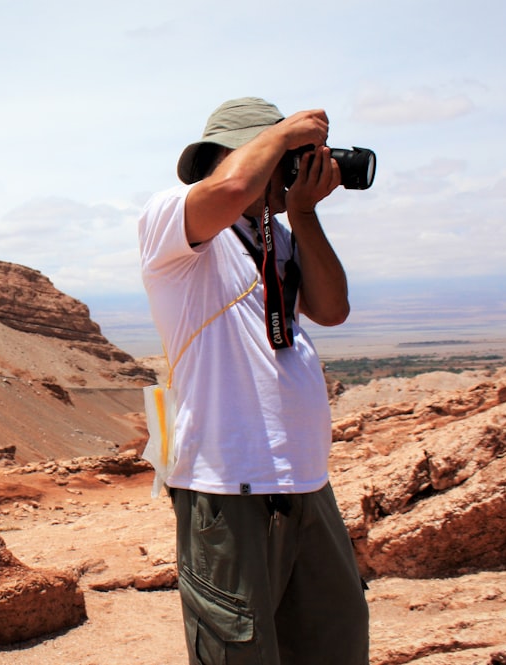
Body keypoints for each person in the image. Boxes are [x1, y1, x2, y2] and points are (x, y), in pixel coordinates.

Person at [137, 97, 369, 664]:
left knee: (332, 640)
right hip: (225, 484)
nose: (288, 166)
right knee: (238, 649)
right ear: (234, 155)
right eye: (284, 156)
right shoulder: (173, 220)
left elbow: (332, 308)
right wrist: (286, 134)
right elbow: (232, 190)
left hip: (305, 480)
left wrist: (304, 212)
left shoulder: (275, 237)